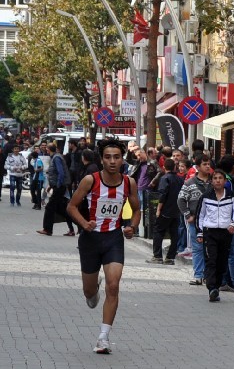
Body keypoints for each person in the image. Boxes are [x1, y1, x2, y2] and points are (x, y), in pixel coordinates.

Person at [64, 138, 140, 354]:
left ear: (122, 159)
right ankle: (92, 291)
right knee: (89, 293)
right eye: (108, 157)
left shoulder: (129, 183)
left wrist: (132, 227)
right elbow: (71, 206)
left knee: (113, 285)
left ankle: (103, 337)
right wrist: (83, 223)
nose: (113, 161)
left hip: (113, 239)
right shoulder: (90, 180)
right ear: (102, 159)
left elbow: (136, 210)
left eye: (117, 157)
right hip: (90, 239)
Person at [196, 169, 234, 302]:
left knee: (222, 262)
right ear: (212, 181)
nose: (218, 181)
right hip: (210, 232)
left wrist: (233, 224)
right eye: (215, 178)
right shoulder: (206, 196)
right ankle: (211, 288)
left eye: (220, 178)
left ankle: (217, 285)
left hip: (226, 233)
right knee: (211, 260)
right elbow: (200, 215)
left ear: (225, 181)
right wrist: (200, 232)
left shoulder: (231, 196)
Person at [179, 156, 212, 287]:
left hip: (212, 222)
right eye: (205, 164)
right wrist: (188, 215)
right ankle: (198, 275)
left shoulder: (214, 181)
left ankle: (209, 275)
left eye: (209, 164)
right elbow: (180, 200)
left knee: (210, 249)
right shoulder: (189, 183)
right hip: (196, 222)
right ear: (197, 167)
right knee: (198, 248)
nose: (208, 166)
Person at [37, 142, 76, 237]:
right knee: (61, 209)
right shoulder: (56, 157)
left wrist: (58, 185)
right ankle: (73, 228)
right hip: (58, 186)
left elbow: (60, 173)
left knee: (49, 207)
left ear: (48, 150)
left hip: (60, 187)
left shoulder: (56, 158)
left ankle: (47, 229)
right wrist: (51, 185)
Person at [148, 158, 183, 264]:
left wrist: (158, 209)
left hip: (166, 210)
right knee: (174, 234)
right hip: (176, 210)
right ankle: (170, 257)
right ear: (174, 167)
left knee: (158, 231)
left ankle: (157, 256)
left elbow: (163, 194)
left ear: (164, 167)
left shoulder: (165, 178)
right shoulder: (180, 179)